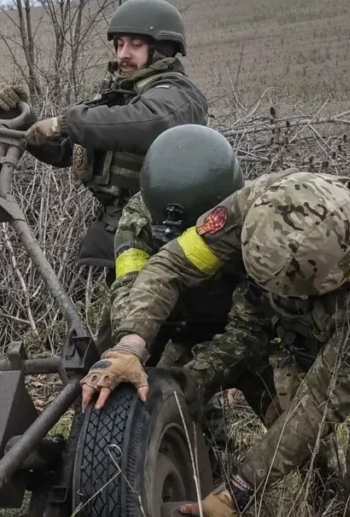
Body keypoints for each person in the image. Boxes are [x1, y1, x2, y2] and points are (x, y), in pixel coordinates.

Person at [83, 169, 350, 517]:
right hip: (331, 306)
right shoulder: (265, 202)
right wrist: (130, 345)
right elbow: (175, 263)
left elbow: (320, 402)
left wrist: (237, 491)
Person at [0, 0, 208, 282]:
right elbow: (65, 151)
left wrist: (63, 123)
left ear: (161, 50)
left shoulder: (178, 95)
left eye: (135, 45)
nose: (123, 54)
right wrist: (23, 120)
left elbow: (148, 123)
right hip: (125, 233)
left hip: (167, 241)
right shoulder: (119, 95)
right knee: (123, 307)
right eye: (120, 44)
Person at [96, 125, 280, 455]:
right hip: (170, 319)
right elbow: (128, 292)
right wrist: (129, 350)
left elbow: (252, 330)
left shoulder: (254, 219)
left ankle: (323, 481)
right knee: (124, 384)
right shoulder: (139, 215)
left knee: (290, 421)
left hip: (246, 331)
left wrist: (195, 376)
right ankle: (209, 456)